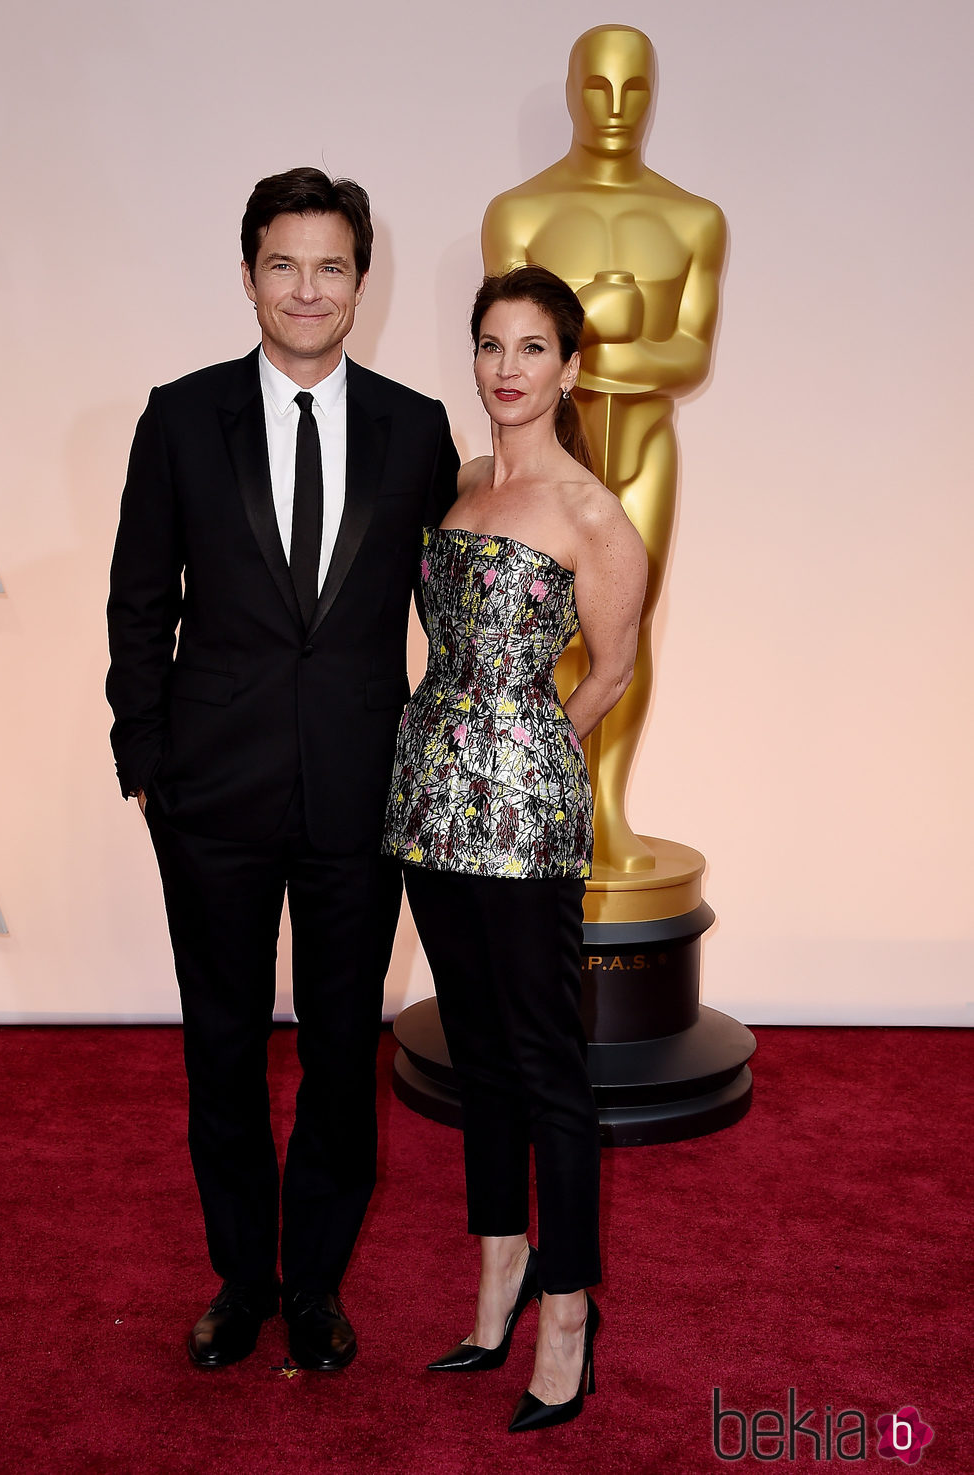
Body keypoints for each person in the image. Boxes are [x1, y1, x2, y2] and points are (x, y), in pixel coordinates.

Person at [106, 168, 458, 1371]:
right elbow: (138, 603)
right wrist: (145, 758)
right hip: (209, 792)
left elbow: (451, 611)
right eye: (283, 264)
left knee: (338, 1042)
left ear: (362, 281)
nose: (307, 289)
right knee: (219, 1043)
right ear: (249, 272)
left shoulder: (415, 429)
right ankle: (240, 1277)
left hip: (361, 792)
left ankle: (313, 1280)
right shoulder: (179, 416)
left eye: (331, 266)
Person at [383, 266, 647, 1431]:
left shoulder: (594, 514)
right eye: (490, 344)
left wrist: (531, 744)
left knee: (546, 1063)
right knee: (476, 1048)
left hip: (523, 815)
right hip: (424, 806)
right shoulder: (460, 482)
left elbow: (613, 669)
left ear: (569, 366)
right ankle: (492, 1283)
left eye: (530, 347)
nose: (505, 367)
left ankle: (566, 1314)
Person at [483, 24, 726, 880]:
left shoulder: (694, 218)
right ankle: (553, 797)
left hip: (645, 452)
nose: (617, 108)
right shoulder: (521, 213)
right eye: (598, 88)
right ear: (570, 91)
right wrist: (610, 318)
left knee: (627, 631)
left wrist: (596, 330)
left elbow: (691, 352)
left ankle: (606, 807)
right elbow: (509, 339)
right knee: (537, 632)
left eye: (635, 90)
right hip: (557, 457)